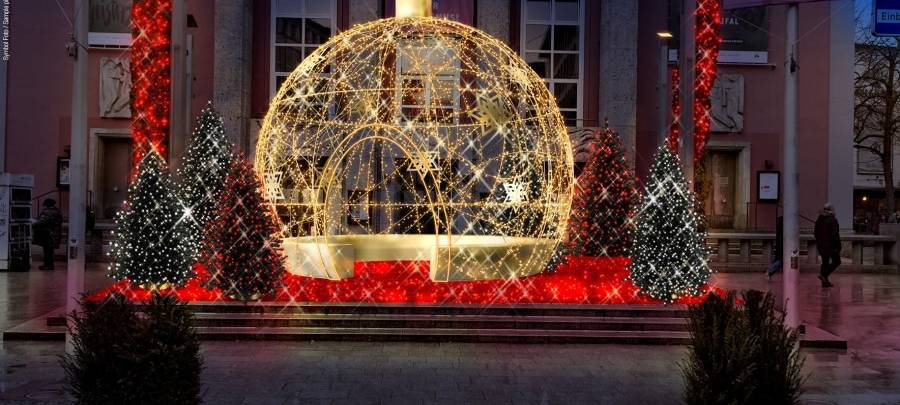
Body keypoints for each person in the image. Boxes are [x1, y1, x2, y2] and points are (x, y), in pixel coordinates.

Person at [814, 203, 841, 287]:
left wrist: (819, 243)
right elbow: (835, 235)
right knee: (837, 261)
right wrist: (838, 246)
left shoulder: (819, 220)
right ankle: (823, 275)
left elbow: (815, 234)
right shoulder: (832, 220)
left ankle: (824, 282)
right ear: (832, 210)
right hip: (831, 246)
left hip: (821, 246)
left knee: (825, 262)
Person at [33, 199, 62, 270]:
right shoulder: (57, 211)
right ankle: (48, 265)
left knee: (47, 251)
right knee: (49, 251)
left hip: (48, 234)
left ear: (46, 204)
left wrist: (33, 223)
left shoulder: (47, 212)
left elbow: (41, 222)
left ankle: (48, 266)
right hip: (53, 234)